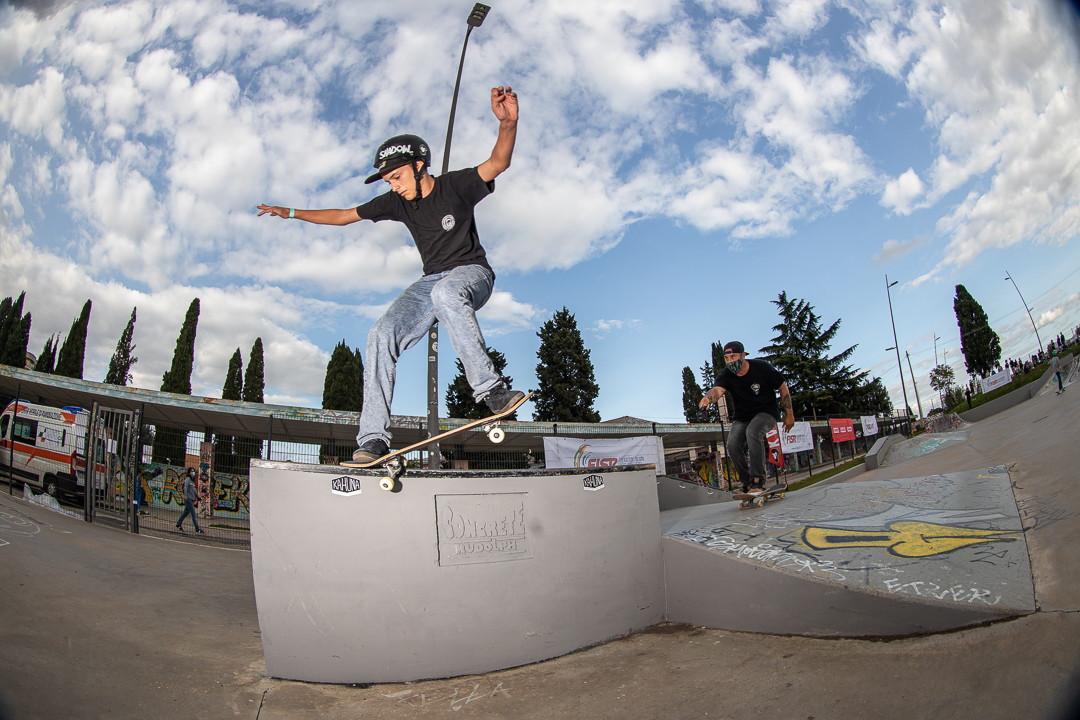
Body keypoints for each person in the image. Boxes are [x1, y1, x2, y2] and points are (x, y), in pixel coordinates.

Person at [257, 87, 525, 463]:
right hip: (431, 282)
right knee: (381, 333)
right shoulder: (397, 203)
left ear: (419, 166)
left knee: (446, 293)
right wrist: (290, 212)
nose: (394, 186)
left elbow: (498, 162)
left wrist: (508, 123)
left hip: (472, 274)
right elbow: (344, 215)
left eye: (397, 177)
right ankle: (373, 438)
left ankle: (491, 390)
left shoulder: (456, 187)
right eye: (388, 182)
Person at [698, 341, 795, 495]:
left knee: (753, 432)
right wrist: (707, 399)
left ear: (743, 355)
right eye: (727, 358)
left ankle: (758, 479)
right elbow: (717, 390)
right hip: (743, 417)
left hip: (766, 413)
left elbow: (782, 387)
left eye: (733, 357)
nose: (730, 361)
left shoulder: (761, 367)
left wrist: (789, 415)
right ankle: (747, 482)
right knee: (732, 444)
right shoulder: (726, 375)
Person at [176, 467, 204, 534]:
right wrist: (185, 496)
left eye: (193, 471)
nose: (193, 473)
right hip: (188, 499)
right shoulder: (187, 480)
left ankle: (178, 524)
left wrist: (198, 497)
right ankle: (197, 529)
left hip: (191, 499)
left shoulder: (192, 481)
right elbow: (185, 488)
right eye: (191, 471)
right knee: (193, 513)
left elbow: (194, 490)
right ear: (189, 473)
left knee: (185, 513)